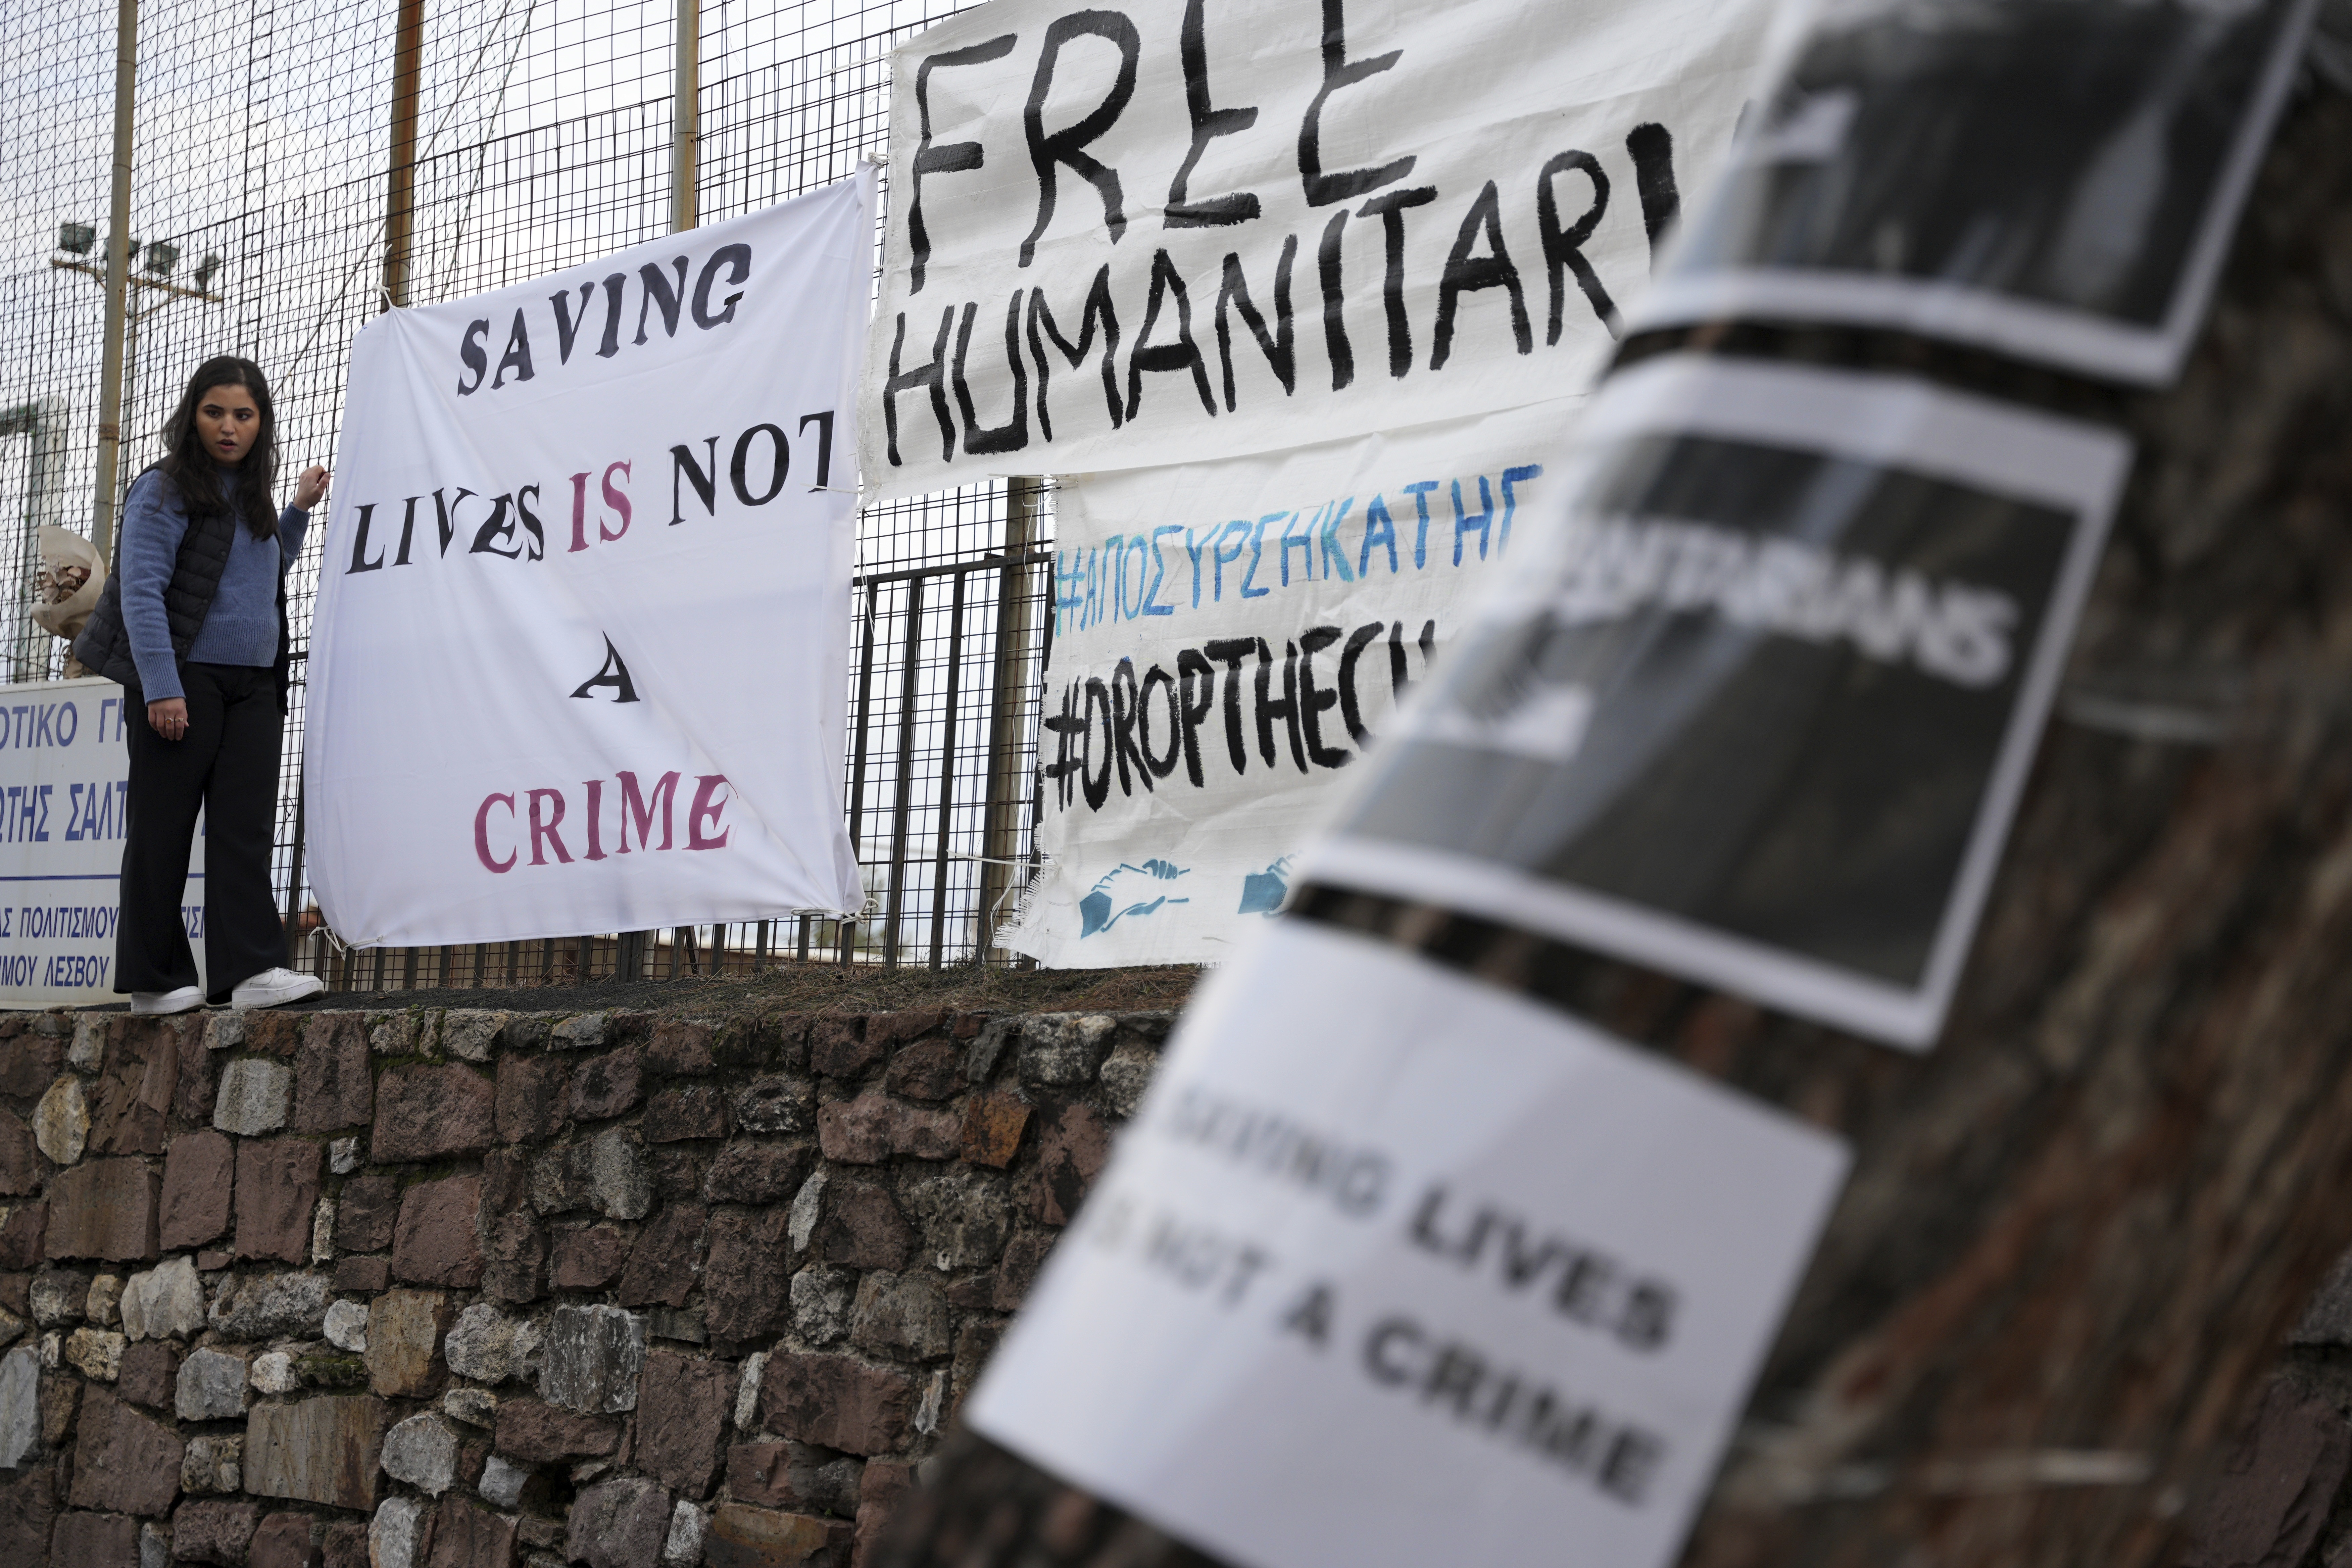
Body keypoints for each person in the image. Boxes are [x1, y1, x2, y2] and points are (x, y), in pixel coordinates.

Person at [74, 356, 330, 1015]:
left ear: (261, 424)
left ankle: (249, 971)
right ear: (193, 414)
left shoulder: (252, 494)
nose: (228, 426)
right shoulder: (162, 489)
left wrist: (296, 510)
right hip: (181, 679)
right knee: (164, 826)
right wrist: (162, 686)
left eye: (244, 415)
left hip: (255, 685)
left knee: (246, 828)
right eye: (215, 411)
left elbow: (261, 571)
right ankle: (154, 980)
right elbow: (142, 592)